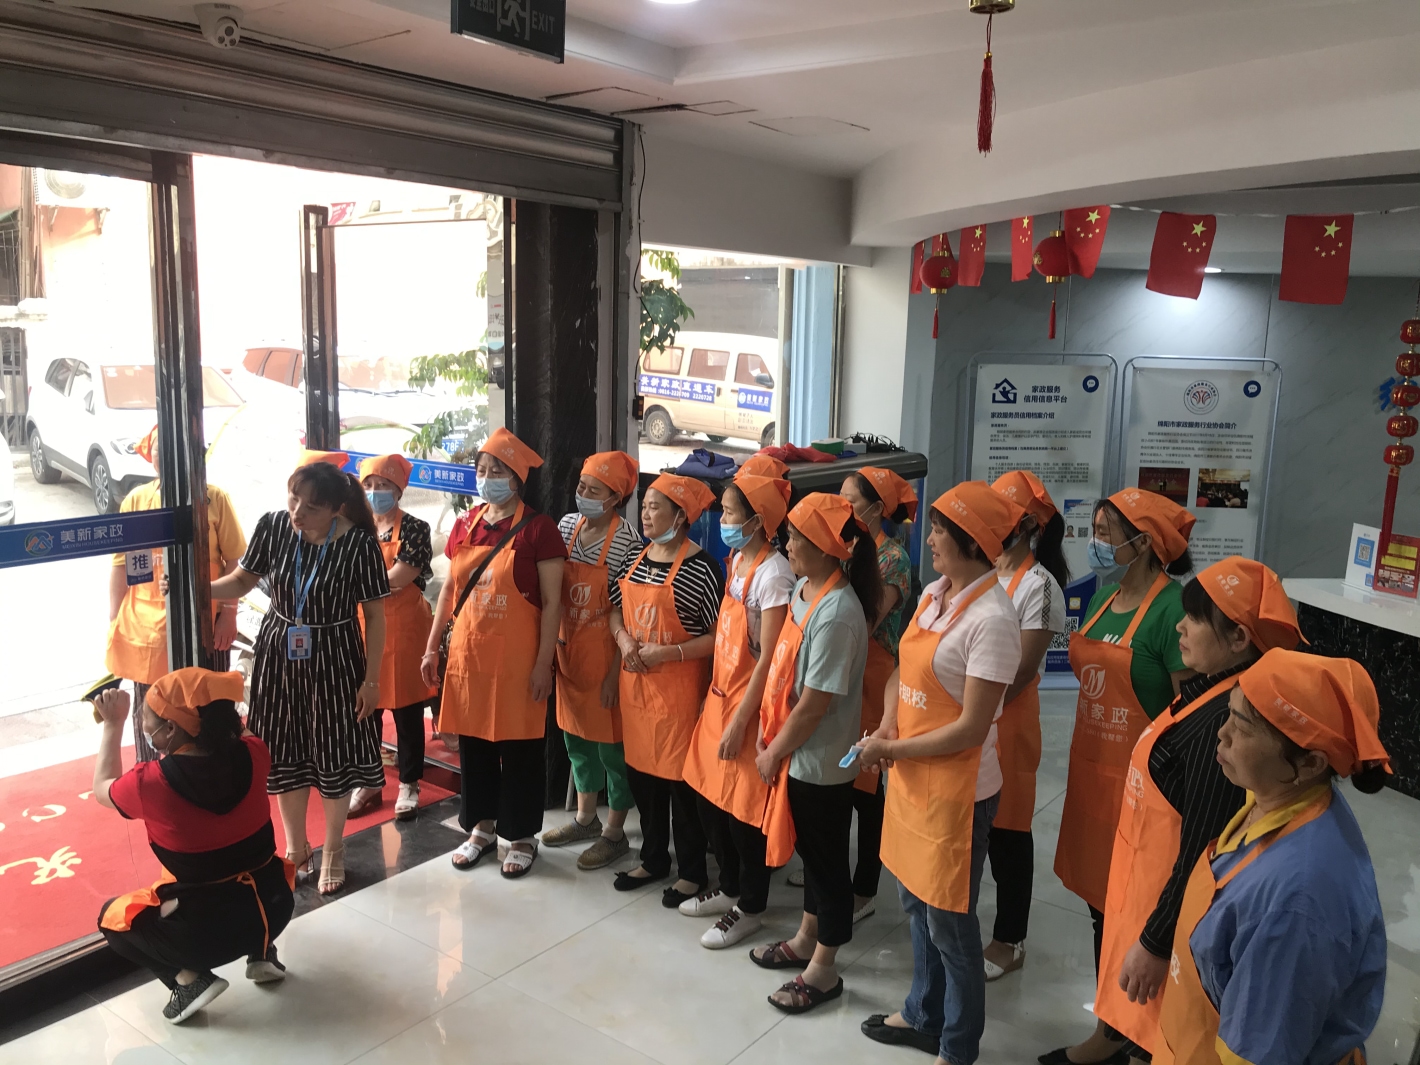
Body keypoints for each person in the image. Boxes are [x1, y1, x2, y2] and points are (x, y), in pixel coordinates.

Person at [1086, 557, 1303, 1060]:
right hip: (1147, 895)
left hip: (1169, 918)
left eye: (1195, 619)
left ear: (1239, 639)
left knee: (1160, 1037)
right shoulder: (1204, 693)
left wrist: (1155, 941)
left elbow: (1202, 851)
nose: (1179, 627)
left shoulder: (1223, 728)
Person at [856, 482, 1024, 1063]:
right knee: (914, 903)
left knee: (950, 923)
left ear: (972, 542)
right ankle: (923, 1014)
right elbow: (903, 672)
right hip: (912, 779)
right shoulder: (935, 593)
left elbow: (972, 728)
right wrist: (886, 727)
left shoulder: (993, 619)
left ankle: (957, 1045)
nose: (928, 539)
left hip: (959, 792)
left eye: (940, 531)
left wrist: (895, 749)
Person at [1154, 650, 1388, 1065]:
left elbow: (1258, 1053)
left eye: (1242, 727)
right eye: (1229, 713)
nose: (1222, 734)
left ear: (1310, 763)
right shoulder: (1275, 797)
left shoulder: (1296, 905)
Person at [1048, 488, 1196, 1065]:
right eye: (1096, 530)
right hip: (1094, 780)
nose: (1097, 542)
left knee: (1142, 914)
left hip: (1148, 791)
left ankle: (1140, 1038)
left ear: (1146, 543)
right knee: (1102, 908)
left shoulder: (1172, 610)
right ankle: (1112, 1029)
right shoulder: (1107, 598)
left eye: (1108, 533)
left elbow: (1191, 714)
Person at [209, 460, 389, 896]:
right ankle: (295, 848)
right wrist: (200, 589)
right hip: (279, 654)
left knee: (332, 752)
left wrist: (371, 681)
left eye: (311, 507)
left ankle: (333, 849)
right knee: (283, 751)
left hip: (335, 656)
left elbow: (376, 617)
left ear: (336, 508)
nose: (298, 512)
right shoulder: (273, 527)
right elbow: (243, 580)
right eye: (294, 499)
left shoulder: (359, 545)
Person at [91, 669, 295, 1025]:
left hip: (205, 938)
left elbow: (102, 786)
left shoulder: (149, 783)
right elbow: (237, 731)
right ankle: (263, 951)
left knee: (113, 919)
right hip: (275, 908)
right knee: (246, 867)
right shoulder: (255, 753)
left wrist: (113, 722)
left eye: (146, 719)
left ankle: (189, 981)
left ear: (171, 729)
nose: (143, 725)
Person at [748, 493, 880, 1015]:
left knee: (827, 867)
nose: (786, 545)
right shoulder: (804, 590)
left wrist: (772, 753)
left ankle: (824, 969)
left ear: (825, 548)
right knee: (811, 854)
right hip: (794, 753)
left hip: (819, 762)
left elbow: (813, 707)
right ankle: (806, 938)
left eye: (795, 538)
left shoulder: (839, 613)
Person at [420, 427, 566, 879]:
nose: (486, 479)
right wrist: (431, 647)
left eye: (496, 472)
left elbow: (553, 603)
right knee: (475, 747)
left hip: (519, 662)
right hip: (469, 658)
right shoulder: (466, 524)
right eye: (482, 470)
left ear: (517, 479)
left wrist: (544, 663)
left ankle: (521, 837)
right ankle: (481, 829)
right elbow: (449, 591)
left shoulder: (539, 530)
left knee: (520, 749)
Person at [681, 471, 794, 947]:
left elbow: (769, 658)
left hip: (749, 708)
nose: (722, 520)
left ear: (757, 520)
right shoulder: (739, 560)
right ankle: (728, 886)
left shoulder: (775, 574)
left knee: (744, 813)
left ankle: (750, 907)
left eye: (729, 513)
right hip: (720, 699)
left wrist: (743, 721)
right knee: (708, 796)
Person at [608, 474, 721, 905]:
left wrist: (669, 653)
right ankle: (652, 858)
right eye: (645, 505)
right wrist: (623, 640)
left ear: (680, 516)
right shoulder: (633, 558)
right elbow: (614, 610)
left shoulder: (703, 568)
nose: (646, 513)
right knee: (643, 781)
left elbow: (718, 637)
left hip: (679, 696)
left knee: (681, 787)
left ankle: (691, 871)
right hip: (636, 690)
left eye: (655, 506)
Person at [106, 426, 246, 763]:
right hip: (146, 631)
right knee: (151, 710)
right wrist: (114, 621)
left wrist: (228, 613)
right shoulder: (136, 500)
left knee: (206, 705)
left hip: (203, 624)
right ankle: (152, 774)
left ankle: (212, 771)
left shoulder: (214, 498)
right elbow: (121, 565)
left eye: (175, 449)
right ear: (150, 455)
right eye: (159, 449)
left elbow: (234, 562)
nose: (166, 457)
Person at [982, 470, 1069, 980]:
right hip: (973, 717)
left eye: (1003, 518)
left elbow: (1020, 672)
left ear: (1028, 526)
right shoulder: (984, 571)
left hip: (1008, 723)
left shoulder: (1040, 586)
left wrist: (978, 712)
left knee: (1008, 833)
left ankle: (1009, 938)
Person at [543, 451, 643, 871]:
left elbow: (629, 615)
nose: (582, 494)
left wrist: (614, 676)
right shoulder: (567, 526)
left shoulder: (628, 543)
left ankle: (615, 832)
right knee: (576, 743)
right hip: (569, 655)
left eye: (593, 490)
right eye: (581, 486)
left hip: (605, 658)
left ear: (615, 497)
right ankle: (585, 818)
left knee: (612, 751)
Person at [837, 465, 917, 922]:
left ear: (876, 508)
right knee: (835, 775)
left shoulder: (892, 558)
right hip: (840, 668)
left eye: (850, 500)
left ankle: (864, 887)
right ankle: (831, 868)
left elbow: (869, 620)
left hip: (872, 672)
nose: (842, 507)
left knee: (866, 785)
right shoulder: (842, 544)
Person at [346, 454, 439, 822]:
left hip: (404, 629)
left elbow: (402, 575)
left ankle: (409, 782)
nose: (375, 492)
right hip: (363, 626)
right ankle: (369, 781)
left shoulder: (415, 527)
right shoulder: (353, 526)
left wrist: (357, 583)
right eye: (368, 485)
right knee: (365, 708)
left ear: (399, 490)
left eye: (383, 485)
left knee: (406, 709)